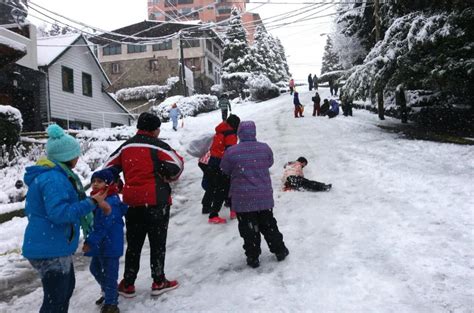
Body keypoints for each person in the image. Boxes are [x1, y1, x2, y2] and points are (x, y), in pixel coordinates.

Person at [22, 124, 111, 313]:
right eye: (76, 153)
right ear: (67, 156)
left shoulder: (55, 176)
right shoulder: (54, 178)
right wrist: (91, 203)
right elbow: (60, 214)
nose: (78, 157)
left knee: (65, 290)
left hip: (52, 244)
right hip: (50, 248)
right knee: (55, 301)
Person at [105, 112, 184, 298]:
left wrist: (119, 184)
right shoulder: (157, 145)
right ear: (154, 129)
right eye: (158, 128)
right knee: (157, 243)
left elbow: (108, 167)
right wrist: (166, 175)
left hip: (132, 202)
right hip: (157, 200)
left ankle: (128, 283)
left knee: (134, 243)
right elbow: (177, 164)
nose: (158, 131)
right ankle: (158, 281)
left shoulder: (126, 147)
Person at [221, 121, 289, 268]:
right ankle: (279, 250)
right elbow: (269, 163)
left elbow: (225, 169)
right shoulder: (264, 149)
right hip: (263, 197)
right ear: (254, 132)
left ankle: (253, 257)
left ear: (239, 133)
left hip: (243, 199)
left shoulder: (232, 151)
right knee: (269, 225)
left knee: (248, 230)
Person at [83, 168, 127, 313]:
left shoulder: (110, 202)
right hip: (101, 244)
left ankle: (112, 304)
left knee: (109, 274)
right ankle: (109, 292)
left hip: (110, 244)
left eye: (99, 181)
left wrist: (90, 242)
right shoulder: (97, 199)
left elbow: (103, 226)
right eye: (93, 181)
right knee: (95, 268)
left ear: (108, 184)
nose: (95, 184)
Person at [205, 114, 240, 224]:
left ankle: (233, 209)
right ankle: (213, 215)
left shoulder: (220, 130)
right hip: (222, 163)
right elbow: (231, 151)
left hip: (213, 162)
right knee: (224, 189)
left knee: (224, 187)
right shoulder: (230, 134)